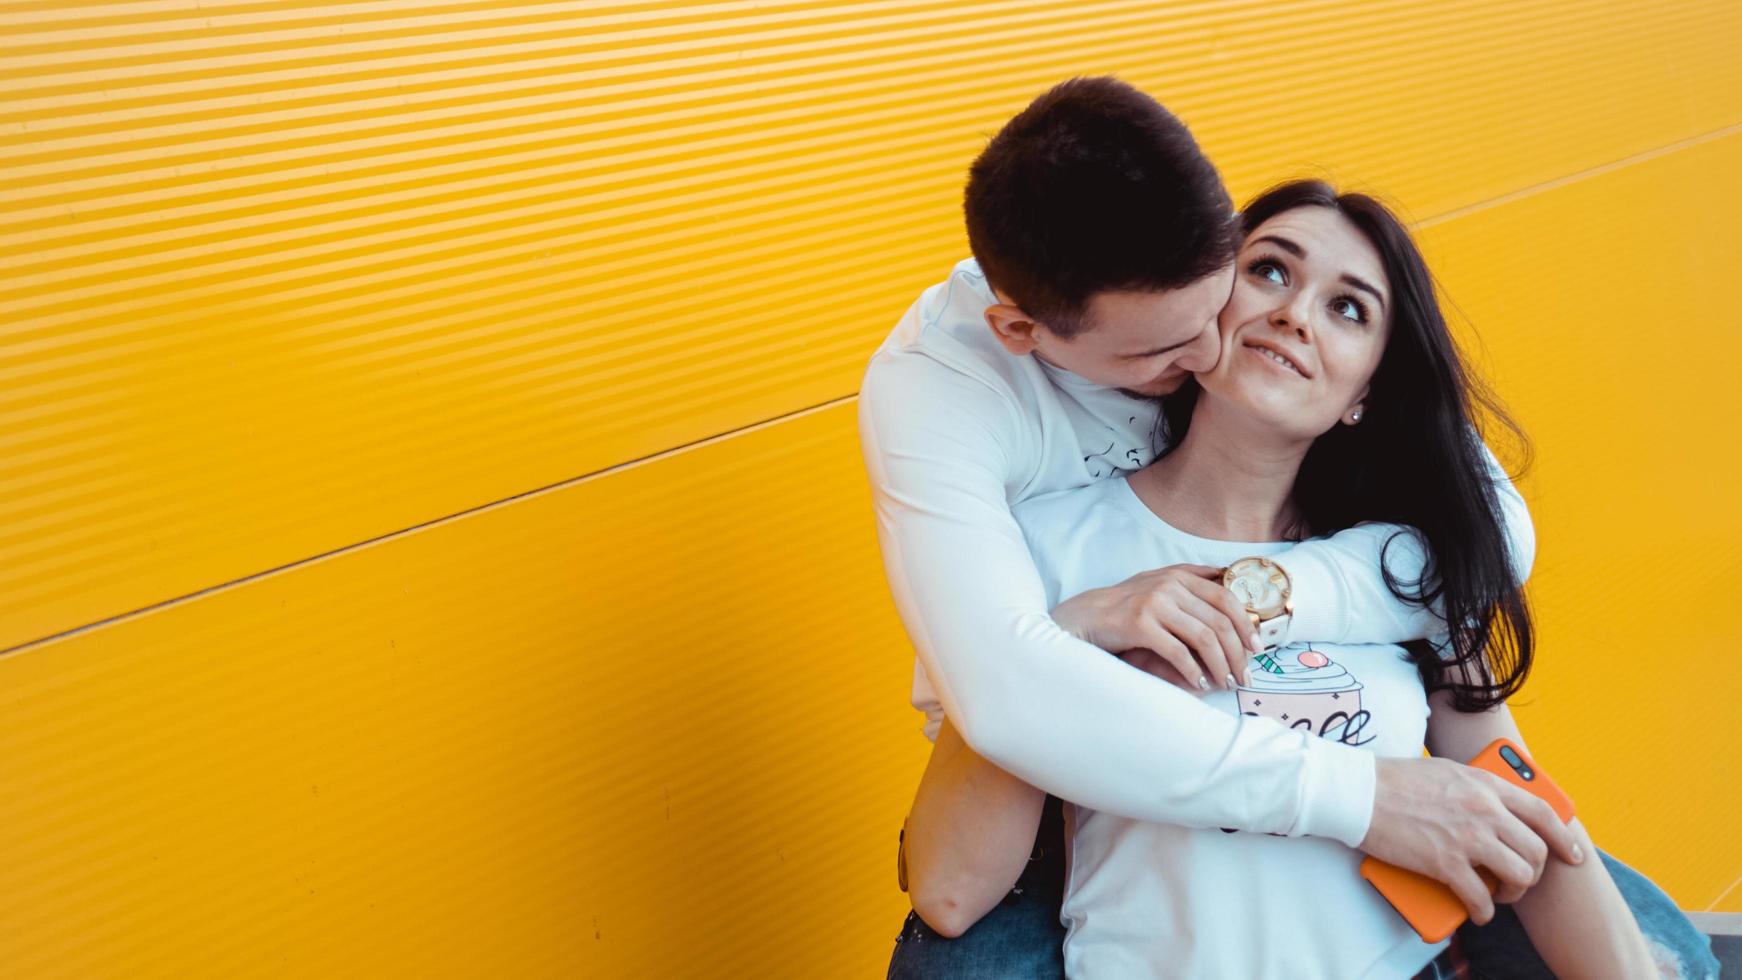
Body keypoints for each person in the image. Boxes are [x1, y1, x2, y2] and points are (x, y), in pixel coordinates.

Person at [860, 78, 1721, 978]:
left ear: (1366, 397)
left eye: (1349, 309)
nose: (1291, 313)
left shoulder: (1405, 567)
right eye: (1270, 270)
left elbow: (1524, 816)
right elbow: (954, 886)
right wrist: (1069, 631)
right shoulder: (1039, 529)